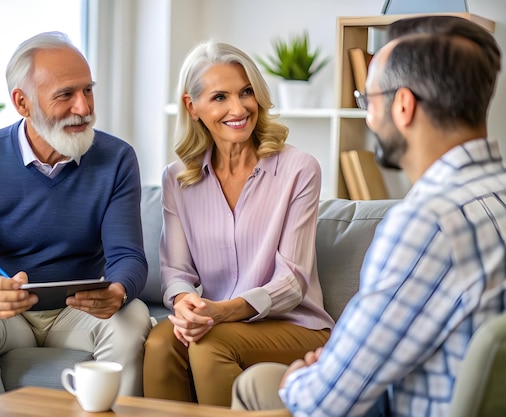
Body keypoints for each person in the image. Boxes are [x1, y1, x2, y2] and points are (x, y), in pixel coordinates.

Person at [231, 15, 505, 417]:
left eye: (368, 101)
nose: (370, 118)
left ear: (404, 105)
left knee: (262, 385)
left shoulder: (427, 223)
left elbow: (323, 403)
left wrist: (301, 379)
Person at [0, 31, 152, 408]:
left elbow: (128, 257)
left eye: (88, 91)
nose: (83, 107)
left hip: (79, 311)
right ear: (22, 102)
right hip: (9, 316)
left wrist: (118, 289)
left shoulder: (117, 158)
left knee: (132, 315)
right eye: (65, 95)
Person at [142, 40, 334, 407]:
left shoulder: (299, 169)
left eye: (246, 92)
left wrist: (220, 313)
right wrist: (185, 304)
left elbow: (292, 282)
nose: (238, 108)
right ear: (191, 106)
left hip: (295, 326)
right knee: (159, 343)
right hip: (214, 322)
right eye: (219, 97)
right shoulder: (177, 179)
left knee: (210, 343)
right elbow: (175, 271)